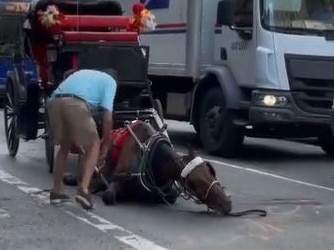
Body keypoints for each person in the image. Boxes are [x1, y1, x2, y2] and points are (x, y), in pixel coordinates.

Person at [46, 68, 117, 210]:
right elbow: (108, 118)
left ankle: (57, 191)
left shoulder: (85, 73)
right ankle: (83, 190)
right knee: (94, 145)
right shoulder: (111, 82)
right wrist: (107, 144)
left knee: (64, 147)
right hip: (76, 103)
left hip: (54, 101)